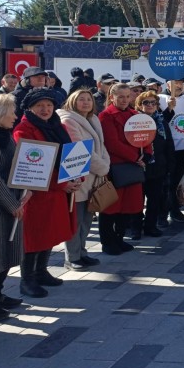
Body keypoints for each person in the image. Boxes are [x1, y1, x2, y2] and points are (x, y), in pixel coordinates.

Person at [13, 88, 80, 297]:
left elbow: (70, 155)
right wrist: (62, 184)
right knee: (34, 238)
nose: (45, 109)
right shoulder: (23, 130)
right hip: (37, 194)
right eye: (40, 106)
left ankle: (41, 272)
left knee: (50, 235)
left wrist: (77, 177)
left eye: (49, 105)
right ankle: (27, 280)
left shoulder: (57, 126)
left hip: (57, 192)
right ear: (30, 108)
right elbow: (35, 167)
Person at [58, 89, 110, 269]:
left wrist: (105, 163)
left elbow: (102, 146)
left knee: (87, 219)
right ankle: (72, 257)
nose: (86, 102)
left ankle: (82, 252)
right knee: (76, 220)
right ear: (73, 101)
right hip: (78, 178)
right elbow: (80, 150)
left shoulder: (93, 119)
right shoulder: (68, 120)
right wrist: (103, 167)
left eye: (89, 99)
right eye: (81, 99)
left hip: (94, 177)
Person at [99, 83, 149, 255]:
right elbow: (112, 144)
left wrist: (147, 154)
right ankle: (107, 242)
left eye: (127, 96)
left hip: (133, 166)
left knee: (128, 206)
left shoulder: (135, 115)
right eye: (120, 96)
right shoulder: (106, 116)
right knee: (111, 207)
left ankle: (119, 239)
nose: (124, 100)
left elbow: (146, 137)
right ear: (111, 97)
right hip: (116, 167)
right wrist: (136, 157)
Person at [0, 94, 25, 319]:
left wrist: (29, 187)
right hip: (0, 205)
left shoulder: (6, 136)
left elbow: (19, 166)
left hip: (12, 201)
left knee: (7, 252)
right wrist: (11, 203)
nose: (15, 116)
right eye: (11, 111)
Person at [158, 78, 184, 225]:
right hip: (168, 147)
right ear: (168, 85)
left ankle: (175, 210)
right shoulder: (160, 99)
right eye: (175, 83)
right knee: (165, 183)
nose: (179, 86)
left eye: (181, 83)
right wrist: (167, 108)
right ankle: (161, 214)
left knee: (177, 182)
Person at [134, 91, 174, 237]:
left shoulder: (161, 122)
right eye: (146, 102)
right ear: (139, 105)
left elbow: (169, 144)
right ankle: (136, 227)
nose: (150, 105)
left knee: (155, 199)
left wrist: (170, 165)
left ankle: (151, 226)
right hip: (139, 166)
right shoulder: (133, 121)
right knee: (137, 200)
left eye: (153, 103)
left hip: (158, 167)